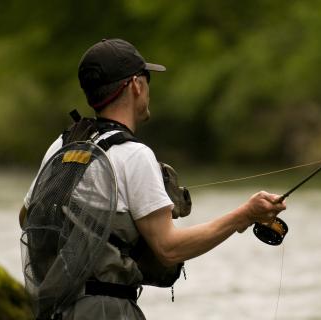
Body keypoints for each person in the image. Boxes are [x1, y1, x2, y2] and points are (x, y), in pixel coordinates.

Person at [18, 38, 286, 320]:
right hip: (106, 311)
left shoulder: (62, 144)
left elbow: (27, 218)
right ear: (136, 85)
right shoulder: (133, 154)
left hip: (53, 310)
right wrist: (245, 215)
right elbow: (169, 249)